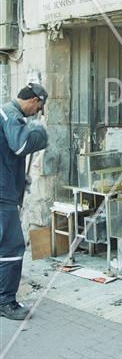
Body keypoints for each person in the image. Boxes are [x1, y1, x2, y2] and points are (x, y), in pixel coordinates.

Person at [0, 83, 48, 320]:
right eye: (38, 109)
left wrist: (20, 177)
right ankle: (6, 302)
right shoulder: (10, 115)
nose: (37, 113)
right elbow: (21, 145)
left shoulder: (6, 113)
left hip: (6, 187)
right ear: (33, 101)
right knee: (12, 246)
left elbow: (9, 154)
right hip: (3, 195)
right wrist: (40, 131)